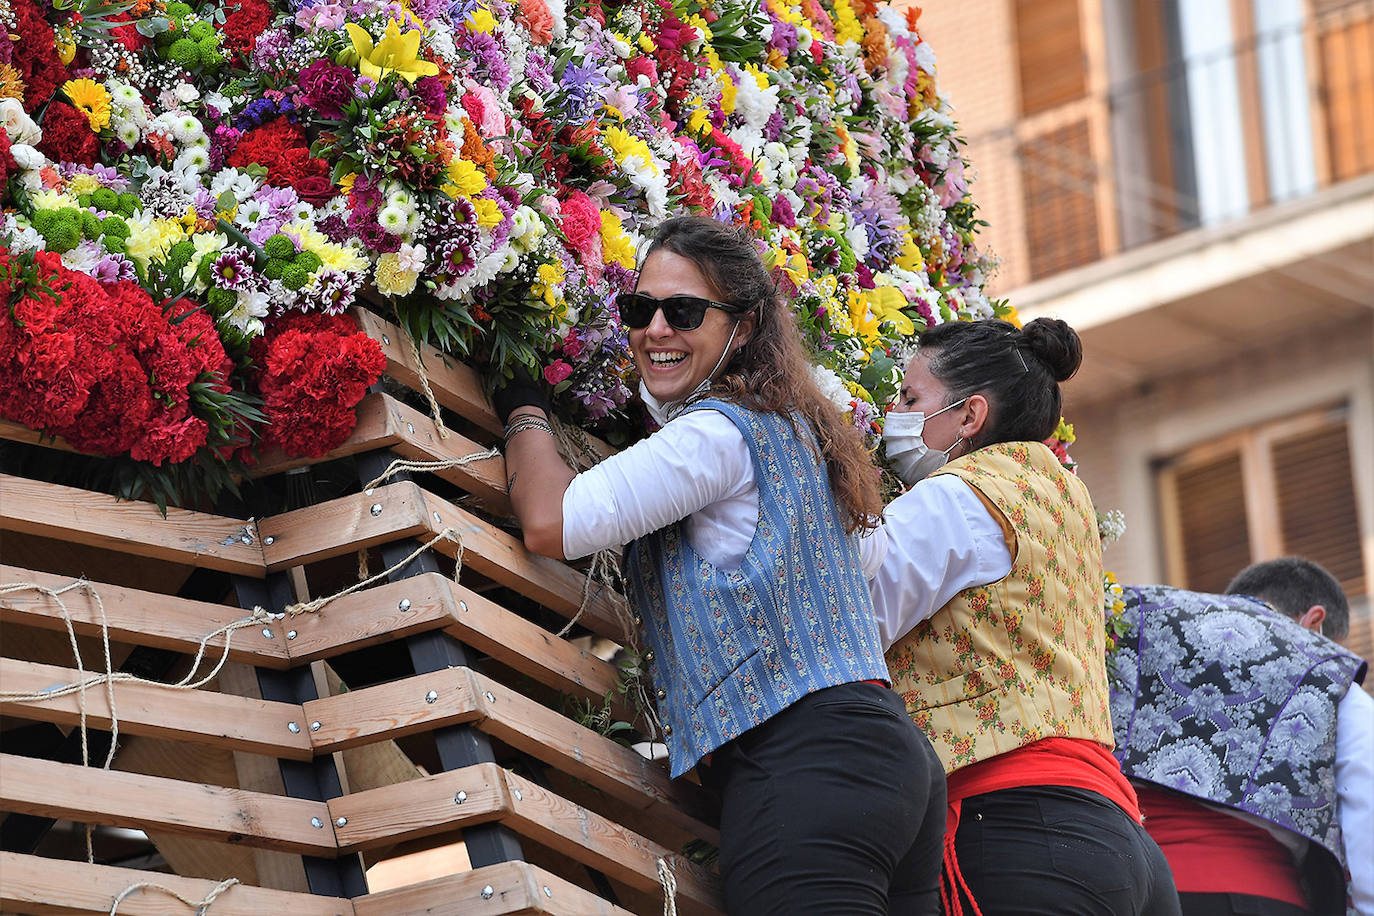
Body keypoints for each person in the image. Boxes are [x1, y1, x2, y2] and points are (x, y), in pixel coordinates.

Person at [492, 215, 945, 915]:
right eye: (640, 310)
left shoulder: (713, 436)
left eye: (684, 311)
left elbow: (551, 522)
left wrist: (524, 405)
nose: (655, 330)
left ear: (745, 324)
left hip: (806, 765)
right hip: (893, 764)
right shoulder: (806, 434)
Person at [866, 317, 1179, 915]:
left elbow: (848, 627)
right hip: (1118, 838)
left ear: (969, 415)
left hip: (1017, 826)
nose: (893, 414)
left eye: (910, 398)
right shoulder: (1063, 500)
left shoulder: (957, 495)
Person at [1110, 559, 1372, 916]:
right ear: (1315, 623)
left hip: (1123, 892)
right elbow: (1365, 804)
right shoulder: (1326, 670)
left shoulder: (1136, 616)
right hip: (1258, 896)